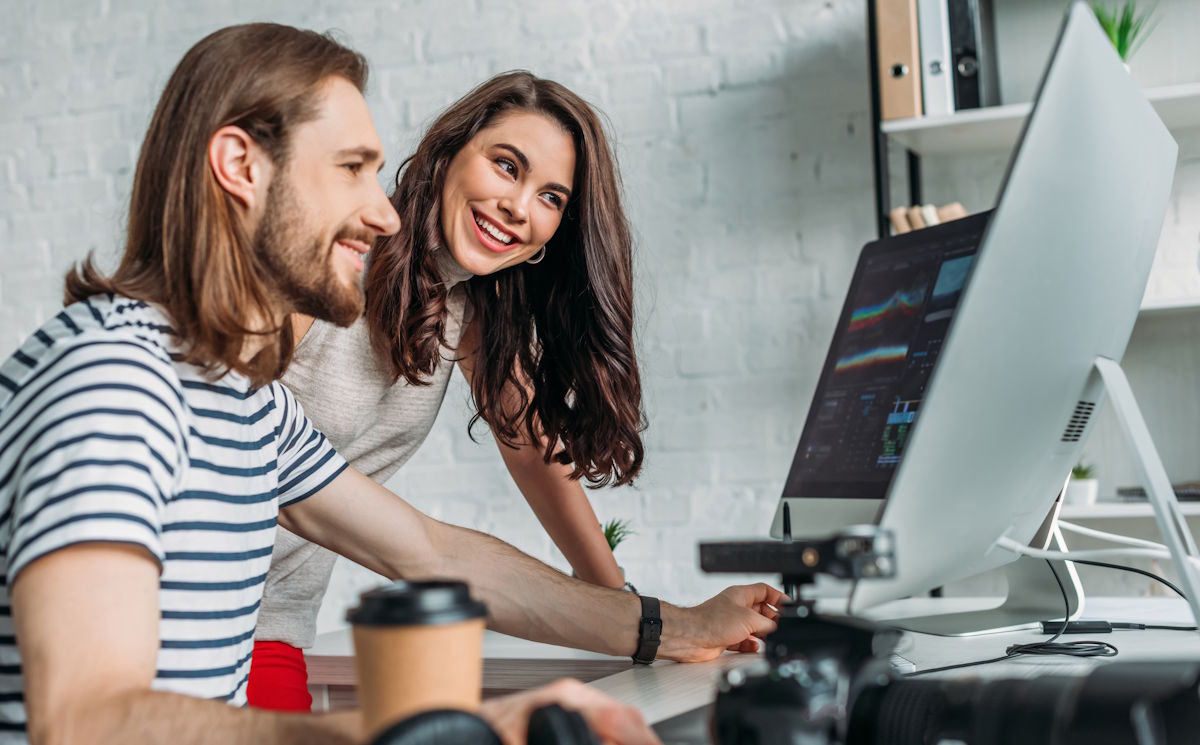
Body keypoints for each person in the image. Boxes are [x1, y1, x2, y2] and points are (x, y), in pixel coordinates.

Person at [0, 22, 784, 745]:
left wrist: (667, 624)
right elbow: (85, 719)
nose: (382, 214)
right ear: (240, 166)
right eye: (351, 171)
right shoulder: (115, 379)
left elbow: (434, 552)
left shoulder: (249, 405)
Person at [250, 71, 652, 711]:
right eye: (505, 166)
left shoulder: (468, 308)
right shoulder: (333, 258)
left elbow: (535, 454)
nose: (519, 206)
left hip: (272, 626)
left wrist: (631, 621)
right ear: (447, 154)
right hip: (177, 611)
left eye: (551, 197)